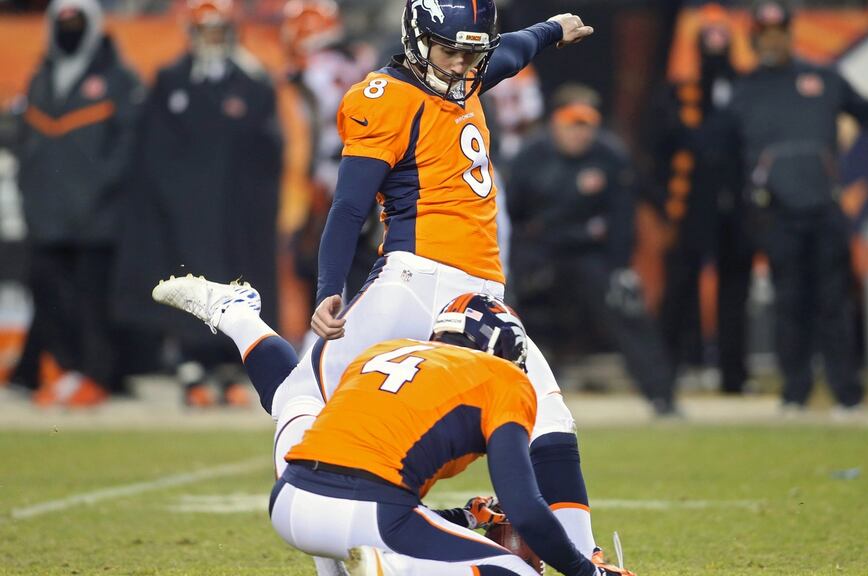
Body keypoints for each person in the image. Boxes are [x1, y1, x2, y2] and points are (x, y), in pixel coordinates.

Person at [152, 0, 606, 568]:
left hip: (481, 292)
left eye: (472, 53)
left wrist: (550, 31)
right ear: (417, 40)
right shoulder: (385, 96)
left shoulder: (461, 72)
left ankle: (588, 560)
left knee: (552, 418)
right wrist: (328, 288)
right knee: (304, 398)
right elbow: (348, 207)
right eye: (451, 50)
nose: (463, 64)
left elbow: (510, 51)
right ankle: (238, 315)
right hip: (412, 280)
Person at [270, 293, 632, 575]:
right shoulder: (500, 376)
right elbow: (525, 510)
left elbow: (368, 478)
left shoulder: (381, 352)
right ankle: (395, 570)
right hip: (368, 513)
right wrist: (589, 572)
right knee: (514, 572)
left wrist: (465, 517)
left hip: (289, 501)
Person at [730, 1, 868, 413]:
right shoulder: (743, 90)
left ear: (791, 34)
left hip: (824, 208)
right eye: (763, 33)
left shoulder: (824, 78)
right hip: (774, 212)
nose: (771, 39)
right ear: (754, 39)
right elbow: (720, 151)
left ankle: (848, 395)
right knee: (789, 303)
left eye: (778, 32)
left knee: (834, 303)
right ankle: (794, 393)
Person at [114, 0, 282, 407]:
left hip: (235, 215)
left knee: (237, 280)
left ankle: (231, 367)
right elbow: (151, 151)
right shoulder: (170, 80)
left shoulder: (252, 83)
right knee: (187, 282)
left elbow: (269, 154)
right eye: (204, 30)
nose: (210, 39)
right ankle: (191, 367)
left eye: (217, 30)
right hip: (183, 210)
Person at [506, 84, 678, 416]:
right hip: (541, 251)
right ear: (555, 121)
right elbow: (511, 214)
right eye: (573, 122)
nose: (581, 132)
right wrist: (517, 265)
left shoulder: (610, 156)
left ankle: (662, 397)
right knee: (522, 324)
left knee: (627, 314)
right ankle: (521, 403)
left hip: (591, 253)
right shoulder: (530, 156)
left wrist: (620, 267)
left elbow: (623, 217)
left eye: (588, 123)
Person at [16, 0, 142, 406]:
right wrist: (31, 193)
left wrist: (97, 191)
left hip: (98, 216)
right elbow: (27, 144)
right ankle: (63, 370)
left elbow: (127, 147)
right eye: (62, 21)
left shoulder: (118, 77)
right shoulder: (42, 76)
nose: (68, 28)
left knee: (95, 301)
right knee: (50, 296)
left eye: (76, 21)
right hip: (49, 216)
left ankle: (98, 376)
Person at [655, 4, 752, 395]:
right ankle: (666, 374)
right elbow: (660, 150)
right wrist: (665, 198)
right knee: (679, 289)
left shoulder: (745, 91)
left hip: (736, 205)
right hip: (691, 205)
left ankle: (734, 376)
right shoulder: (679, 95)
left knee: (735, 291)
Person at [280, 0, 382, 315]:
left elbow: (312, 133)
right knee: (364, 263)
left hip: (329, 176)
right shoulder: (361, 60)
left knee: (320, 265)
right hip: (370, 170)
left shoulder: (309, 71)